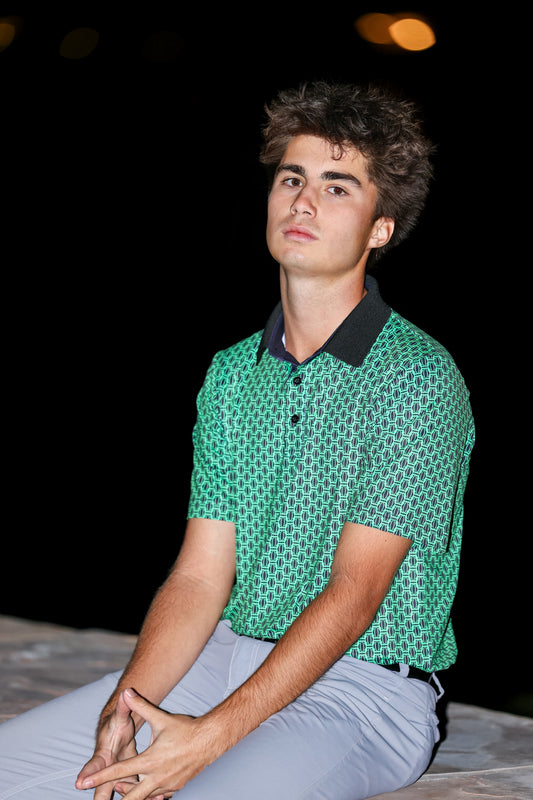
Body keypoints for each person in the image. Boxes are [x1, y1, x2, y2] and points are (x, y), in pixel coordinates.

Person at [0, 81, 475, 800]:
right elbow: (198, 577)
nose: (303, 202)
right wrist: (123, 707)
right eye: (292, 178)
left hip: (362, 689)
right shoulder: (231, 374)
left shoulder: (415, 379)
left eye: (337, 188)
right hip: (223, 657)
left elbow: (354, 595)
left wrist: (212, 736)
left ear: (380, 228)